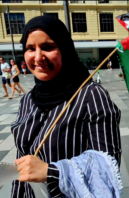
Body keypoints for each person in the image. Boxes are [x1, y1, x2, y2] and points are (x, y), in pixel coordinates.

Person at [11, 16, 121, 197]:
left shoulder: (91, 96)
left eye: (48, 47)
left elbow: (107, 168)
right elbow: (22, 164)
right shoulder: (28, 100)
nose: (38, 57)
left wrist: (50, 171)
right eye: (30, 49)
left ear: (65, 50)